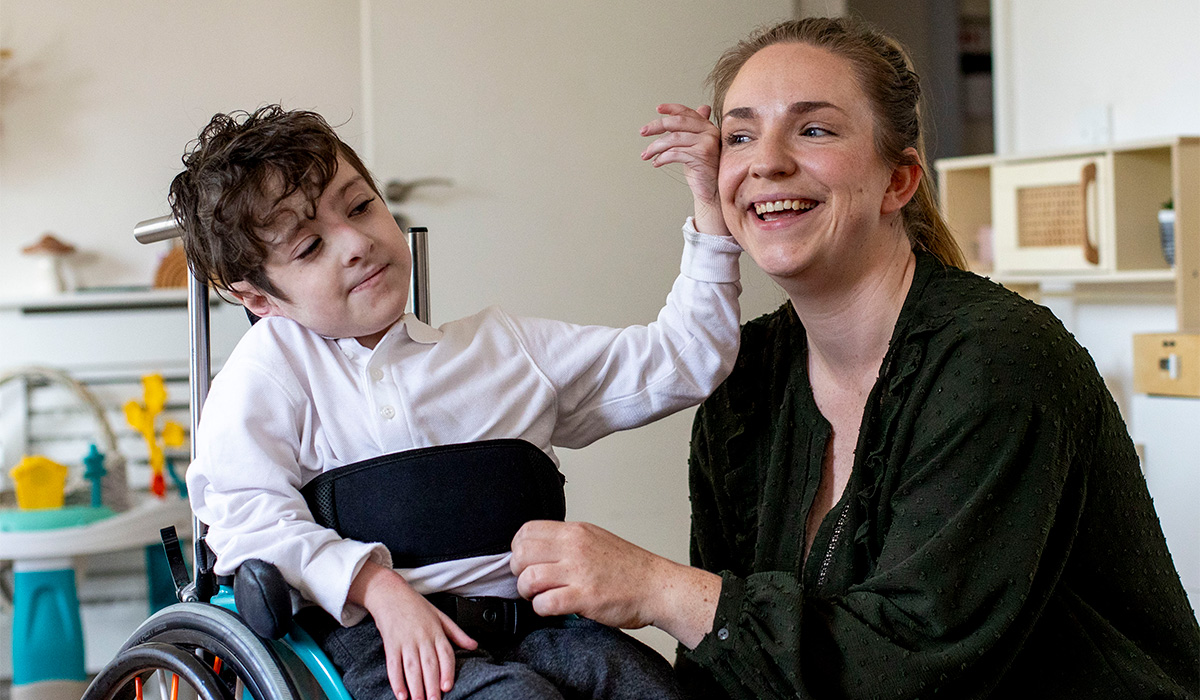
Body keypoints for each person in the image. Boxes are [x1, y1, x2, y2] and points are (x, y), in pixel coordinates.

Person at [510, 16, 1200, 699]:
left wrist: (658, 589)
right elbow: (731, 671)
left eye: (814, 130)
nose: (767, 162)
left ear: (898, 181)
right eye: (741, 136)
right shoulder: (746, 378)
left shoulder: (999, 359)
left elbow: (917, 667)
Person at [173, 104, 743, 700]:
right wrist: (377, 588)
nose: (357, 243)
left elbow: (685, 357)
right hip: (374, 643)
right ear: (259, 299)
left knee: (650, 688)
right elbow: (246, 517)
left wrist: (710, 203)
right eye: (310, 245)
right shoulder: (270, 370)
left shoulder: (503, 351)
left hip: (540, 627)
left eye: (361, 206)